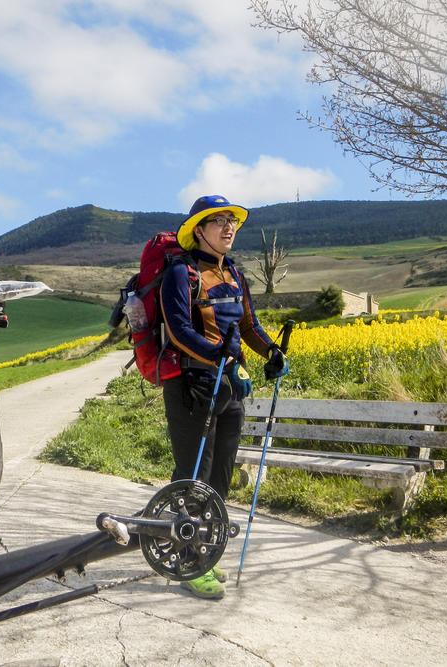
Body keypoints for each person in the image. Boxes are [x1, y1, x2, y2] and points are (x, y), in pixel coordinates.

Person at [159, 195, 288, 600]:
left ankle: (206, 555)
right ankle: (186, 561)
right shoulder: (181, 273)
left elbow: (248, 324)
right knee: (194, 477)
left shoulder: (232, 271)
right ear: (199, 230)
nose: (229, 227)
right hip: (192, 386)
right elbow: (180, 331)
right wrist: (223, 359)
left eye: (232, 221)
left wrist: (272, 351)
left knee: (220, 478)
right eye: (218, 221)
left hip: (229, 386)